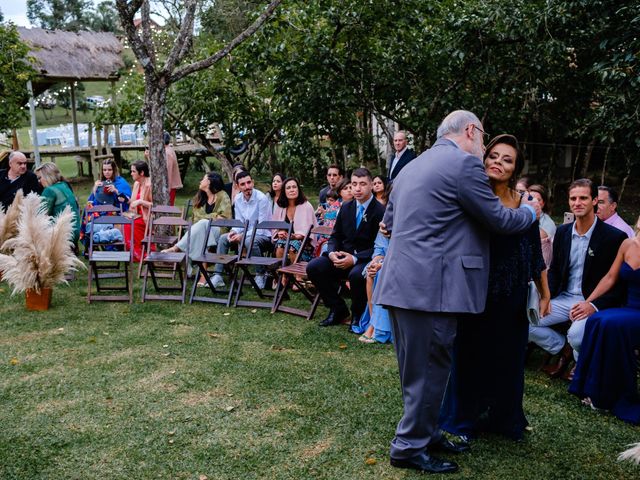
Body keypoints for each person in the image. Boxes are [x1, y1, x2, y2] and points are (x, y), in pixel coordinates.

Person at [373, 110, 539, 474]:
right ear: (471, 130)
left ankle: (427, 433)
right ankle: (408, 448)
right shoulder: (463, 165)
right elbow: (498, 218)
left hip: (402, 285)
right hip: (432, 289)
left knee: (416, 371)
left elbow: (387, 224)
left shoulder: (409, 169)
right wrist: (530, 212)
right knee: (430, 371)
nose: (484, 147)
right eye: (483, 137)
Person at [439, 134, 550, 442]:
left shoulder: (523, 203)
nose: (498, 163)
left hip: (512, 294)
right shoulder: (474, 194)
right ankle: (463, 418)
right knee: (470, 355)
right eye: (494, 155)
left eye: (507, 160)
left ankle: (504, 418)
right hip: (475, 291)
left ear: (515, 169)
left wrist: (545, 291)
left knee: (508, 359)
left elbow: (533, 250)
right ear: (484, 158)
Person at [529, 179, 627, 378]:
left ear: (594, 201)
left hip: (592, 300)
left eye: (583, 198)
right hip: (564, 298)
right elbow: (555, 270)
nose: (577, 203)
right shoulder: (563, 232)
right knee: (526, 319)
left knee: (577, 336)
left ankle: (582, 365)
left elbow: (617, 281)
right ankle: (559, 346)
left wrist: (594, 305)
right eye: (573, 198)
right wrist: (545, 296)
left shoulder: (614, 237)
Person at [569, 217, 640, 424]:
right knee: (597, 319)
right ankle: (592, 389)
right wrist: (588, 303)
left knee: (611, 324)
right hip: (629, 308)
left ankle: (609, 395)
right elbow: (610, 277)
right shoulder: (628, 244)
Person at [307, 168, 385, 328]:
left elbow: (379, 246)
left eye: (362, 184)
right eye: (354, 184)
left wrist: (355, 258)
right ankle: (338, 309)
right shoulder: (346, 207)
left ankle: (358, 313)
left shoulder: (380, 211)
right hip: (342, 256)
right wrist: (332, 253)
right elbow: (335, 235)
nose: (357, 188)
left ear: (371, 185)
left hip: (366, 259)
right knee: (314, 267)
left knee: (357, 275)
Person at [162, 172, 232, 284]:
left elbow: (224, 218)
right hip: (201, 232)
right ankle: (203, 275)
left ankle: (176, 248)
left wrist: (206, 219)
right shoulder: (200, 198)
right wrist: (212, 217)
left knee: (203, 224)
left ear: (210, 181)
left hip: (219, 230)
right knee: (202, 231)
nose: (200, 181)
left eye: (203, 179)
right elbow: (196, 220)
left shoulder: (222, 195)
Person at [210, 171, 271, 290]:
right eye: (243, 184)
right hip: (245, 234)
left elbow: (262, 227)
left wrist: (242, 236)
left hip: (263, 235)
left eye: (249, 182)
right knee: (223, 238)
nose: (247, 186)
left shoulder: (261, 199)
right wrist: (234, 231)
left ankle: (260, 274)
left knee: (249, 241)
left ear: (253, 183)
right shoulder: (238, 199)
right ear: (237, 186)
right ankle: (218, 275)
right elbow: (240, 222)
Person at [79, 160, 132, 250]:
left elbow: (128, 200)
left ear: (114, 170)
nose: (107, 172)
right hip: (101, 209)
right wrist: (95, 188)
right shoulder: (101, 182)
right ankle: (91, 240)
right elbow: (92, 200)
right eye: (104, 170)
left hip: (116, 210)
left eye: (109, 170)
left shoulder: (120, 182)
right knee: (88, 210)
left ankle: (97, 238)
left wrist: (116, 191)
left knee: (103, 216)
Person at [352, 230, 392, 344]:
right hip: (384, 262)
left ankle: (378, 328)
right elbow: (379, 251)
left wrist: (382, 265)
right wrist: (375, 263)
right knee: (370, 271)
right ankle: (373, 322)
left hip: (400, 264)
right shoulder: (385, 224)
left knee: (381, 273)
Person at [34, 162, 81, 246]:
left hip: (62, 236)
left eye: (40, 177)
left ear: (47, 176)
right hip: (75, 233)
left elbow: (41, 217)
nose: (39, 181)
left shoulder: (49, 191)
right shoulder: (64, 185)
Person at [272, 177, 317, 263]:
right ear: (284, 192)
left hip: (304, 246)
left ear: (298, 189)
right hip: (285, 243)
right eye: (288, 188)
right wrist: (280, 233)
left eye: (294, 187)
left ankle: (297, 276)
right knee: (280, 245)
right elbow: (275, 229)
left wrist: (294, 236)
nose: (292, 190)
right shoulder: (280, 207)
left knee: (293, 245)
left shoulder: (306, 206)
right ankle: (283, 275)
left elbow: (309, 234)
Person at [124, 160, 153, 262]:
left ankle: (140, 254)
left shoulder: (150, 185)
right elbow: (133, 202)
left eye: (133, 171)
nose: (131, 173)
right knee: (124, 221)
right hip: (136, 215)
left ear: (141, 173)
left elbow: (156, 206)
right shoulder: (136, 183)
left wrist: (141, 202)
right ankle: (134, 252)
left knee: (129, 224)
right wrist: (126, 200)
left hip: (148, 217)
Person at [529, 184, 556, 267]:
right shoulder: (523, 218)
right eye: (530, 198)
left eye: (538, 199)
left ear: (543, 203)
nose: (534, 202)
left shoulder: (548, 225)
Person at [164, 132, 183, 206]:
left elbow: (168, 170)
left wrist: (168, 187)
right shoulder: (169, 149)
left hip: (170, 185)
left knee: (168, 206)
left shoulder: (167, 152)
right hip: (170, 184)